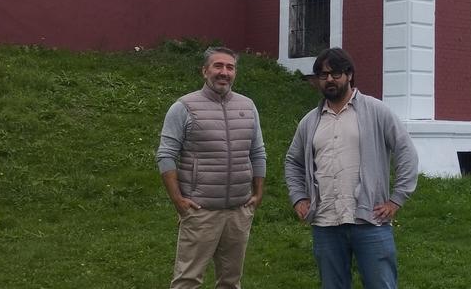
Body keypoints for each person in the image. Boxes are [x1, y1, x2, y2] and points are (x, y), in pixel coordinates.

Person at [285, 47, 418, 289]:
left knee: (381, 285)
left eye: (335, 73)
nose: (329, 80)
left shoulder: (376, 111)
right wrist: (299, 197)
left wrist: (396, 199)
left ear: (349, 75)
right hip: (326, 224)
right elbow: (292, 161)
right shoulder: (310, 122)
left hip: (370, 221)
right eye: (322, 75)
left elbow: (405, 151)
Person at [156, 46, 267, 289]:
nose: (224, 72)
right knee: (187, 280)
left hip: (239, 211)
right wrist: (179, 201)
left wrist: (257, 195)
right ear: (204, 71)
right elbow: (165, 155)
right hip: (200, 211)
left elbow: (257, 152)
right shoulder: (184, 107)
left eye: (230, 67)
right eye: (218, 66)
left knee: (230, 281)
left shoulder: (248, 106)